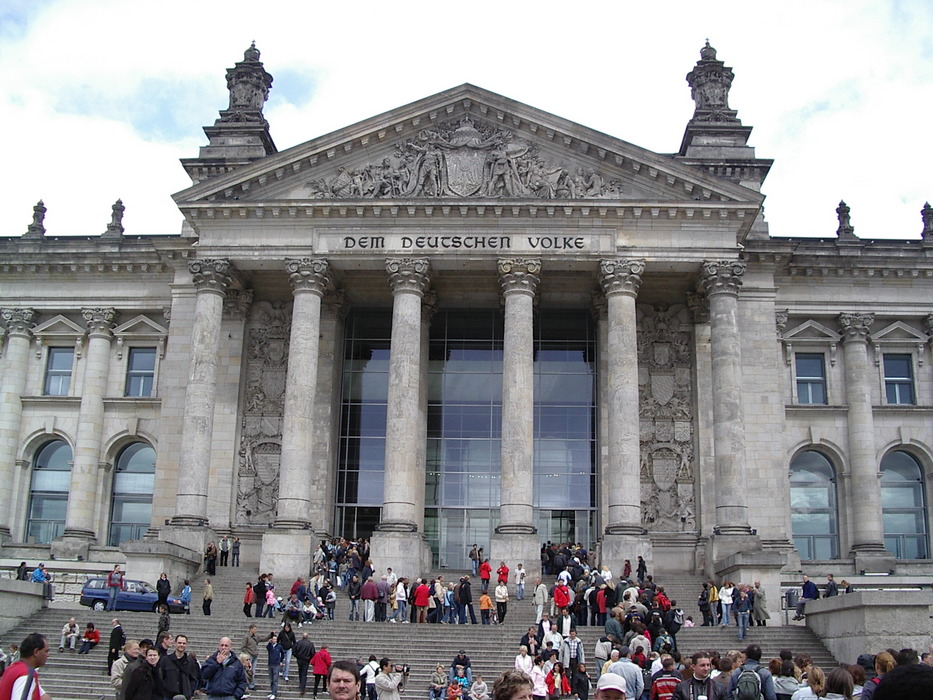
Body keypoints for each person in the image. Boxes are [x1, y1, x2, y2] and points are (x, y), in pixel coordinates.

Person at [0, 632, 51, 700]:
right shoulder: (25, 674)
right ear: (36, 652)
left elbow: (44, 697)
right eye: (46, 651)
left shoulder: (12, 669)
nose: (48, 655)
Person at [160, 634, 200, 700]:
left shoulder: (191, 661)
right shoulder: (165, 660)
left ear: (186, 645)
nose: (181, 645)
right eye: (179, 643)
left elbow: (194, 678)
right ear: (175, 643)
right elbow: (161, 677)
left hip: (185, 696)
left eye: (184, 643)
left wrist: (190, 691)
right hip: (168, 696)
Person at [239, 625, 260, 693]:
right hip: (249, 656)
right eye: (254, 629)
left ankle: (251, 684)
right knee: (247, 671)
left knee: (252, 671)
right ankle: (247, 685)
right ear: (250, 629)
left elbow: (262, 639)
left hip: (255, 655)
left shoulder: (255, 637)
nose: (255, 630)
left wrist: (270, 635)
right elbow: (243, 647)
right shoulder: (246, 637)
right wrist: (247, 655)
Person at [293, 632, 316, 696]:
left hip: (299, 659)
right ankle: (302, 688)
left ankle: (301, 684)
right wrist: (309, 658)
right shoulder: (310, 644)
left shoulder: (298, 643)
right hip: (306, 660)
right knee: (304, 674)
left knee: (300, 671)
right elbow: (313, 653)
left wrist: (297, 656)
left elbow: (294, 650)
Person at [265, 631, 283, 700]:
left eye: (275, 639)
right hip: (270, 664)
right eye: (273, 639)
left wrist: (281, 661)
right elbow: (267, 648)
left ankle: (274, 693)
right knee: (271, 679)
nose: (274, 640)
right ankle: (272, 691)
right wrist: (269, 642)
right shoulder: (270, 646)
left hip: (276, 664)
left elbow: (283, 654)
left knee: (275, 679)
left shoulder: (279, 646)